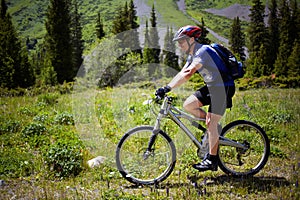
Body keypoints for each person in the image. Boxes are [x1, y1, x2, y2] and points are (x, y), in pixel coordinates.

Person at [155, 25, 235, 172]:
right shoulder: (193, 54)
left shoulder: (203, 51)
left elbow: (189, 73)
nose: (179, 45)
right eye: (178, 42)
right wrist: (166, 87)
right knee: (189, 105)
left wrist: (167, 88)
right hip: (213, 87)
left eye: (181, 41)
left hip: (223, 88)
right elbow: (182, 72)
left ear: (192, 39)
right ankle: (213, 129)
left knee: (211, 122)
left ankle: (212, 159)